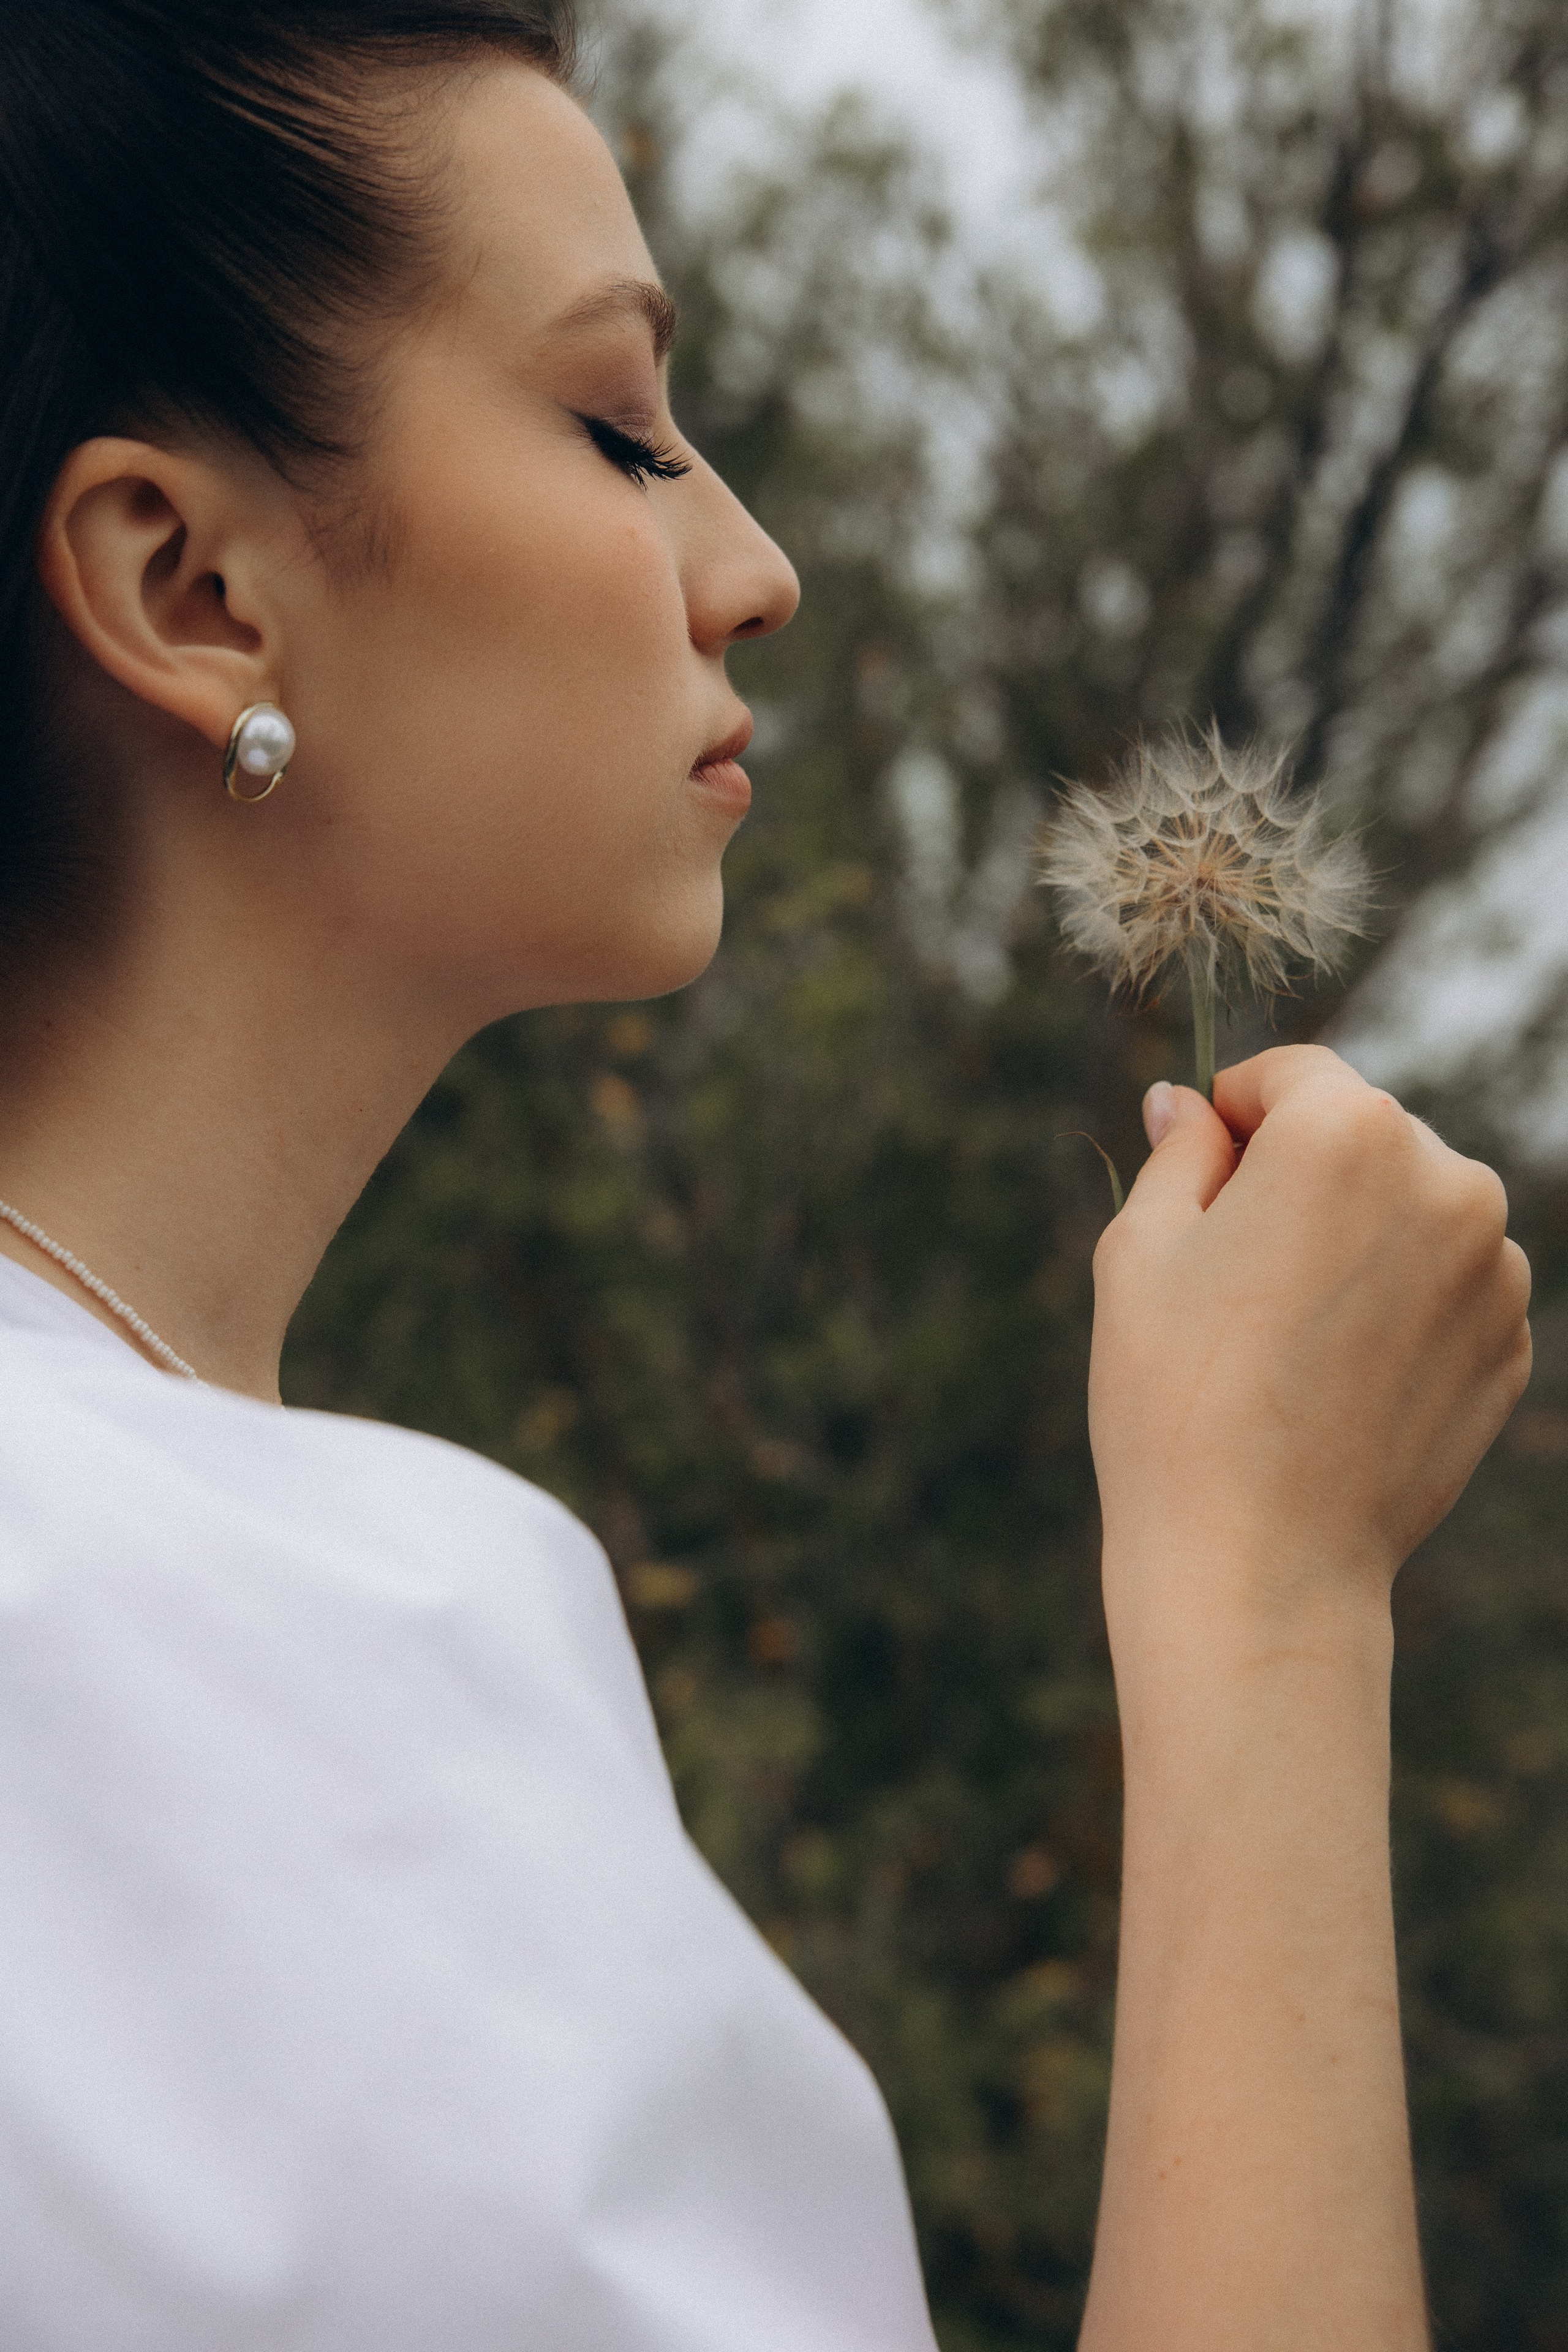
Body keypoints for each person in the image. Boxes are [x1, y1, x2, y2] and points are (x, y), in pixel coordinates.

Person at [0, 3, 1531, 2347]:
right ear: (192, 587)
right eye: (621, 427)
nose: (753, 563)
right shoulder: (274, 1642)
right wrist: (1270, 1592)